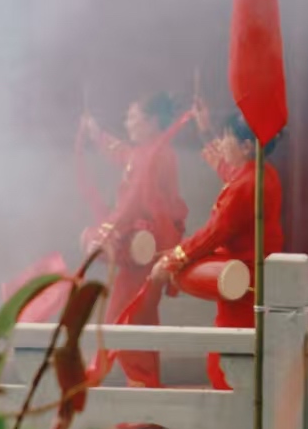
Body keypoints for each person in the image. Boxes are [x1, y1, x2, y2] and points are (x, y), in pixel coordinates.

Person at [151, 117, 284, 390]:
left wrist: (172, 260)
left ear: (246, 147)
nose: (221, 144)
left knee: (226, 364)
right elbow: (230, 173)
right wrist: (206, 131)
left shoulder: (245, 185)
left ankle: (237, 413)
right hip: (254, 279)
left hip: (244, 284)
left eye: (226, 138)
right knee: (242, 357)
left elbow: (214, 232)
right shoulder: (262, 173)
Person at [82, 94, 192, 388]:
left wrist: (103, 234)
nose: (127, 122)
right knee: (139, 317)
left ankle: (109, 379)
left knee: (123, 316)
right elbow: (123, 154)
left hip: (145, 251)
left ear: (152, 122)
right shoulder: (153, 151)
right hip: (151, 249)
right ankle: (145, 388)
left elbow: (130, 204)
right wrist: (97, 134)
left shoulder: (152, 155)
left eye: (133, 117)